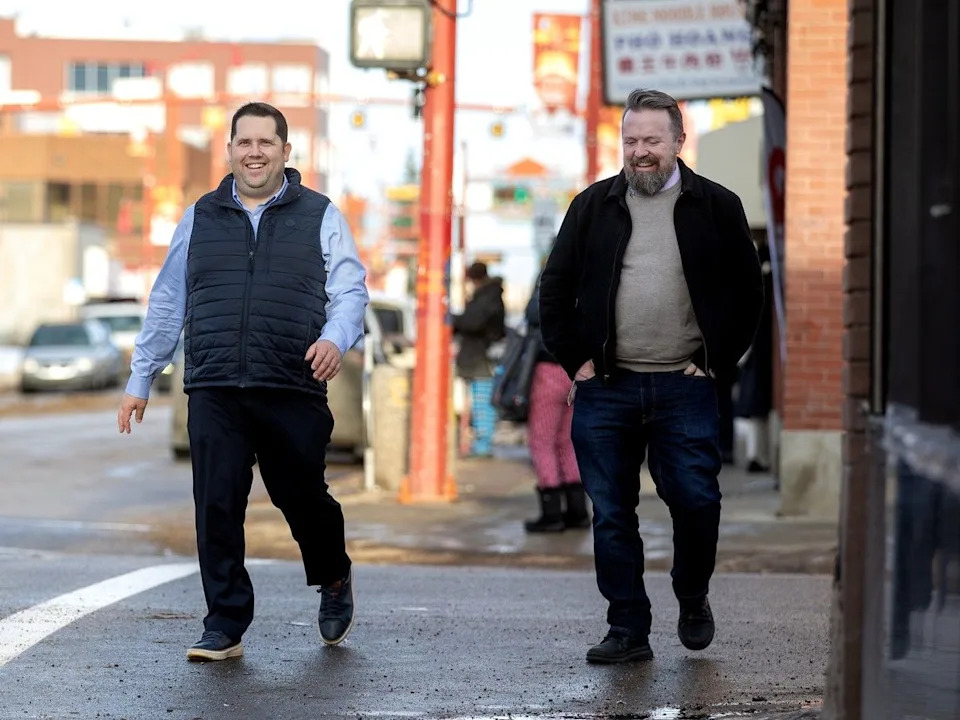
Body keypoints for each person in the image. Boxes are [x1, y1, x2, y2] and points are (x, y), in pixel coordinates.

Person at [116, 102, 369, 662]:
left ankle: (332, 574)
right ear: (230, 150)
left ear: (285, 151)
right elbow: (167, 300)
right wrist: (141, 376)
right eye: (244, 142)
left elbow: (350, 291)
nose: (255, 151)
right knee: (217, 503)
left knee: (300, 496)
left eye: (266, 142)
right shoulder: (200, 216)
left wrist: (335, 338)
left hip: (291, 382)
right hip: (214, 384)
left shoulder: (321, 214)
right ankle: (224, 622)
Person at [539, 88, 763, 664]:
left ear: (678, 142)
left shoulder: (718, 205)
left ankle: (692, 594)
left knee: (696, 502)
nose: (640, 152)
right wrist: (577, 361)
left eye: (652, 141)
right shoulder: (592, 206)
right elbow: (555, 290)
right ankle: (628, 629)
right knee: (612, 513)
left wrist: (716, 360)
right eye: (631, 140)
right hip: (606, 388)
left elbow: (748, 294)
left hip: (685, 386)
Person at [522, 278, 590, 533]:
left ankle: (552, 513)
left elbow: (532, 314)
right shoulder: (591, 277)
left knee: (542, 441)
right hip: (578, 369)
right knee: (566, 441)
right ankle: (578, 510)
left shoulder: (551, 279)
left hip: (549, 366)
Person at [452, 261, 506, 457]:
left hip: (481, 359)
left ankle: (483, 445)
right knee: (481, 403)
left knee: (482, 403)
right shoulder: (491, 296)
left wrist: (454, 319)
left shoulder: (486, 298)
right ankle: (482, 443)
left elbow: (473, 322)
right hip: (481, 357)